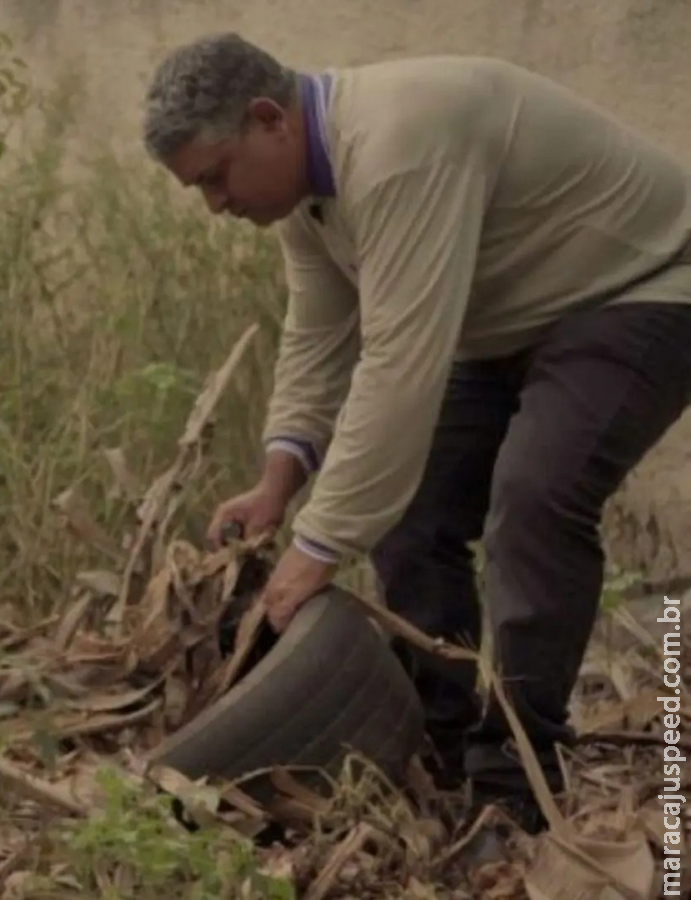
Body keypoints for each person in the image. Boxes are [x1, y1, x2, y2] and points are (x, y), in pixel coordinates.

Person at [140, 33, 691, 840]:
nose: (216, 204)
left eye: (216, 177)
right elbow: (320, 337)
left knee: (533, 503)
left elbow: (399, 361)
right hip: (510, 327)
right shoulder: (309, 192)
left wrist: (317, 547)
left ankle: (515, 781)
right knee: (413, 515)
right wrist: (279, 481)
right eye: (199, 189)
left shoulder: (397, 143)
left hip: (646, 286)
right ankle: (444, 737)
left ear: (268, 119)